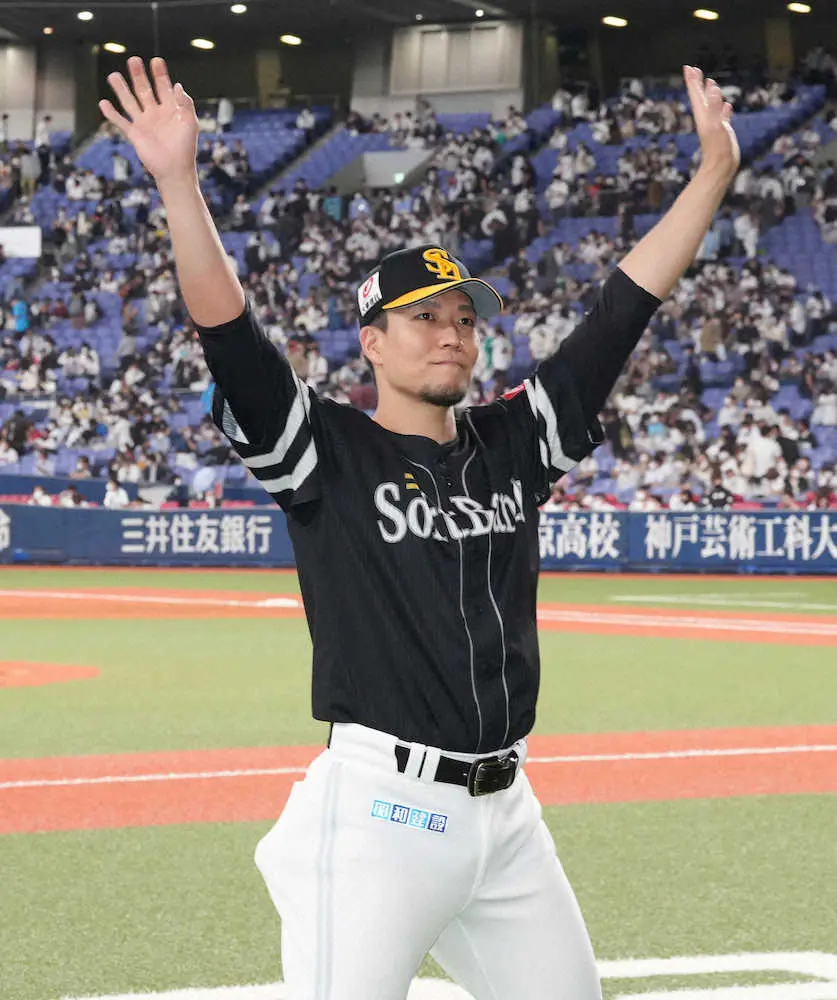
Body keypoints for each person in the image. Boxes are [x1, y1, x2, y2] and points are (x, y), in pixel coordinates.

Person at [101, 57, 740, 1000]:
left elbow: (619, 314)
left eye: (463, 320)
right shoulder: (325, 449)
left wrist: (712, 173)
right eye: (423, 318)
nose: (451, 333)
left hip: (508, 817)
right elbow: (229, 334)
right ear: (371, 342)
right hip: (380, 816)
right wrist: (178, 184)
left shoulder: (513, 442)